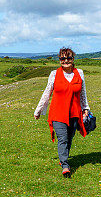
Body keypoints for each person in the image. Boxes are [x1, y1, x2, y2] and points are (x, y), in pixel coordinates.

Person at [33, 48, 91, 177]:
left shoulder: (79, 73)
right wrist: (38, 110)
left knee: (69, 138)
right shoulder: (54, 74)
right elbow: (47, 93)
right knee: (62, 139)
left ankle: (63, 158)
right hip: (58, 113)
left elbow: (83, 93)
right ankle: (65, 165)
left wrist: (85, 108)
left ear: (73, 59)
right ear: (59, 60)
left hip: (74, 112)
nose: (65, 61)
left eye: (68, 58)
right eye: (62, 59)